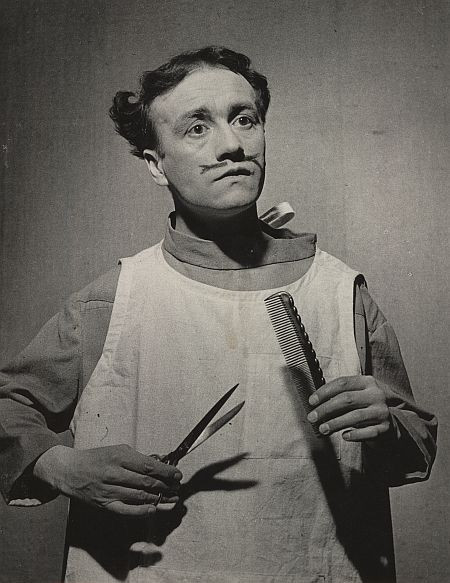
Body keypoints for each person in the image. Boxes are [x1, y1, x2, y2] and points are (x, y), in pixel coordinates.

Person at [0, 46, 437, 583]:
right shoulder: (112, 301)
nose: (232, 145)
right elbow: (8, 408)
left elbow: (414, 445)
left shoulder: (341, 292)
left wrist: (387, 426)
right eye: (196, 128)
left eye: (244, 119)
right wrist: (58, 464)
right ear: (156, 164)